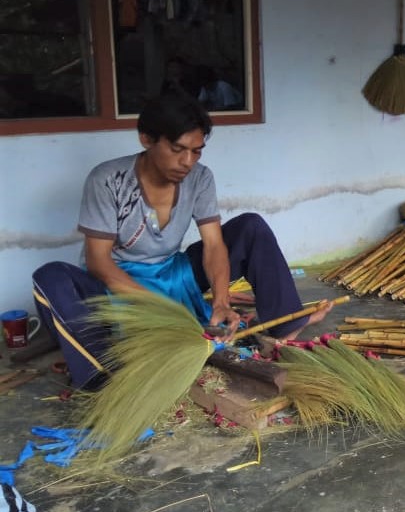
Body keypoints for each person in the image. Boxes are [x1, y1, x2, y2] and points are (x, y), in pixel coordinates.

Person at [32, 91, 332, 389]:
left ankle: (282, 328)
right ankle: (104, 378)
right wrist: (159, 308)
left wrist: (222, 301)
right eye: (177, 149)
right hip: (116, 284)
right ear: (146, 140)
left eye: (197, 151)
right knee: (50, 278)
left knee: (250, 227)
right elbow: (99, 262)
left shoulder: (200, 178)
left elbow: (214, 245)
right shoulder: (108, 180)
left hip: (173, 276)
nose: (187, 161)